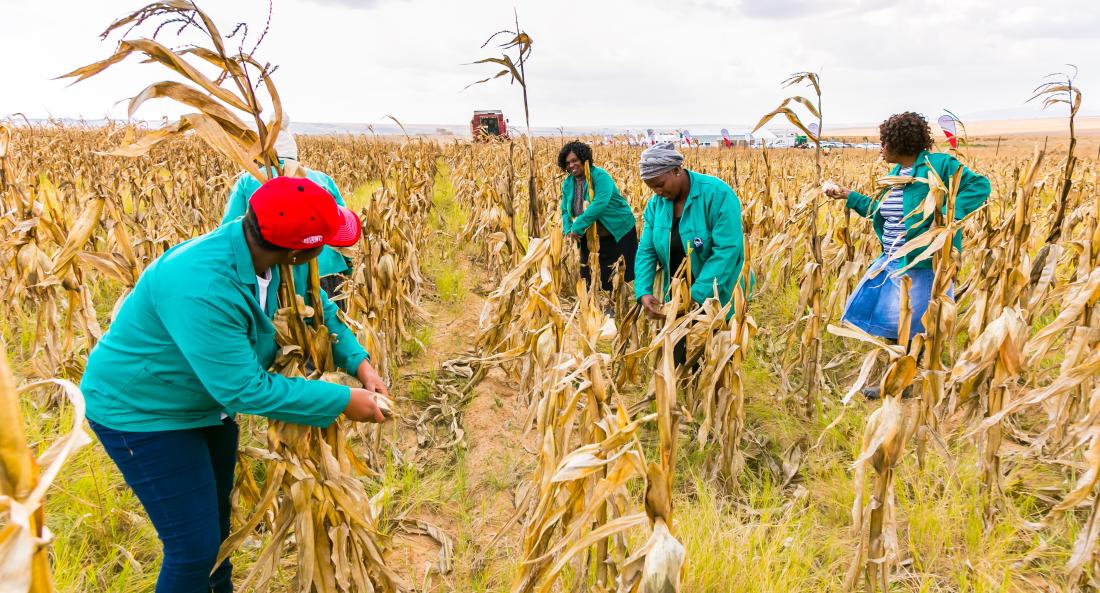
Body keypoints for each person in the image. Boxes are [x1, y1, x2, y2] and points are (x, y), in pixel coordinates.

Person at [81, 177, 390, 593]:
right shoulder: (202, 285)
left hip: (203, 403)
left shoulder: (271, 256)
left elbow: (319, 310)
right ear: (300, 251)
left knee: (218, 540)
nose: (330, 252)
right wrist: (343, 400)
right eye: (325, 244)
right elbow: (247, 390)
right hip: (142, 412)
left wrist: (361, 364)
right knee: (193, 550)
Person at [825, 112, 990, 396]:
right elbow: (880, 211)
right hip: (892, 260)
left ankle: (905, 384)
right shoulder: (894, 175)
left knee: (913, 326)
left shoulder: (938, 165)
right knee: (892, 321)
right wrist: (845, 195)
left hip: (922, 263)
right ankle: (899, 378)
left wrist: (947, 217)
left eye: (883, 142)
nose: (881, 148)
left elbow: (979, 186)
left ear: (898, 143)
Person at [634, 142, 750, 363]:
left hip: (719, 294)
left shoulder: (717, 195)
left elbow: (727, 251)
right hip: (677, 295)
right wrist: (643, 290)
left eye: (660, 184)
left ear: (677, 170)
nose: (657, 192)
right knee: (680, 359)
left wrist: (694, 298)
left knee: (714, 361)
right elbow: (647, 250)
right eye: (652, 188)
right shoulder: (656, 204)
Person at [222, 115, 353, 308]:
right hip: (328, 270)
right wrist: (348, 267)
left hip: (278, 275)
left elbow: (230, 228)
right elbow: (342, 231)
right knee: (330, 326)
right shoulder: (322, 180)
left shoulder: (248, 181)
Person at [558, 140, 639, 303]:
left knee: (617, 275)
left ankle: (619, 306)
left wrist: (577, 228)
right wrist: (568, 230)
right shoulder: (568, 183)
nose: (572, 165)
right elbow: (565, 210)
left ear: (584, 158)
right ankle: (595, 310)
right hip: (590, 237)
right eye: (568, 163)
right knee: (588, 273)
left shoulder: (600, 176)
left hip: (617, 231)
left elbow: (598, 204)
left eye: (574, 160)